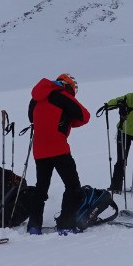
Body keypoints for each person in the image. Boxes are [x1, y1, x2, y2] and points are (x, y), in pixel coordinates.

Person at [26, 73, 90, 233]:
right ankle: (66, 225)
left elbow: (31, 118)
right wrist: (67, 120)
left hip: (39, 150)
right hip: (58, 148)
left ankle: (34, 226)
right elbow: (84, 116)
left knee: (41, 188)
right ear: (68, 85)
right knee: (72, 186)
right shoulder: (62, 95)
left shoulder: (36, 98)